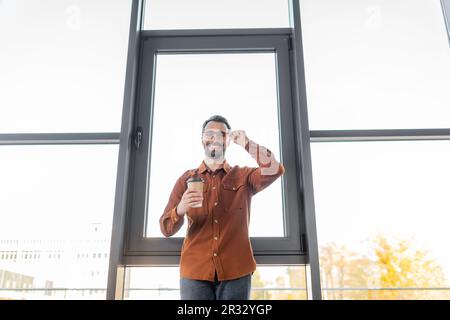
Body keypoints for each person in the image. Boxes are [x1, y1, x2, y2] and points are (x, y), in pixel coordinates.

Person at [159, 115, 285, 300]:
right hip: (195, 272)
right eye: (209, 133)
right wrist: (180, 209)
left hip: (237, 271)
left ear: (228, 140)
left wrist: (247, 143)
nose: (215, 138)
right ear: (202, 139)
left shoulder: (244, 176)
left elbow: (275, 169)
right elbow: (166, 228)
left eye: (221, 134)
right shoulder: (186, 179)